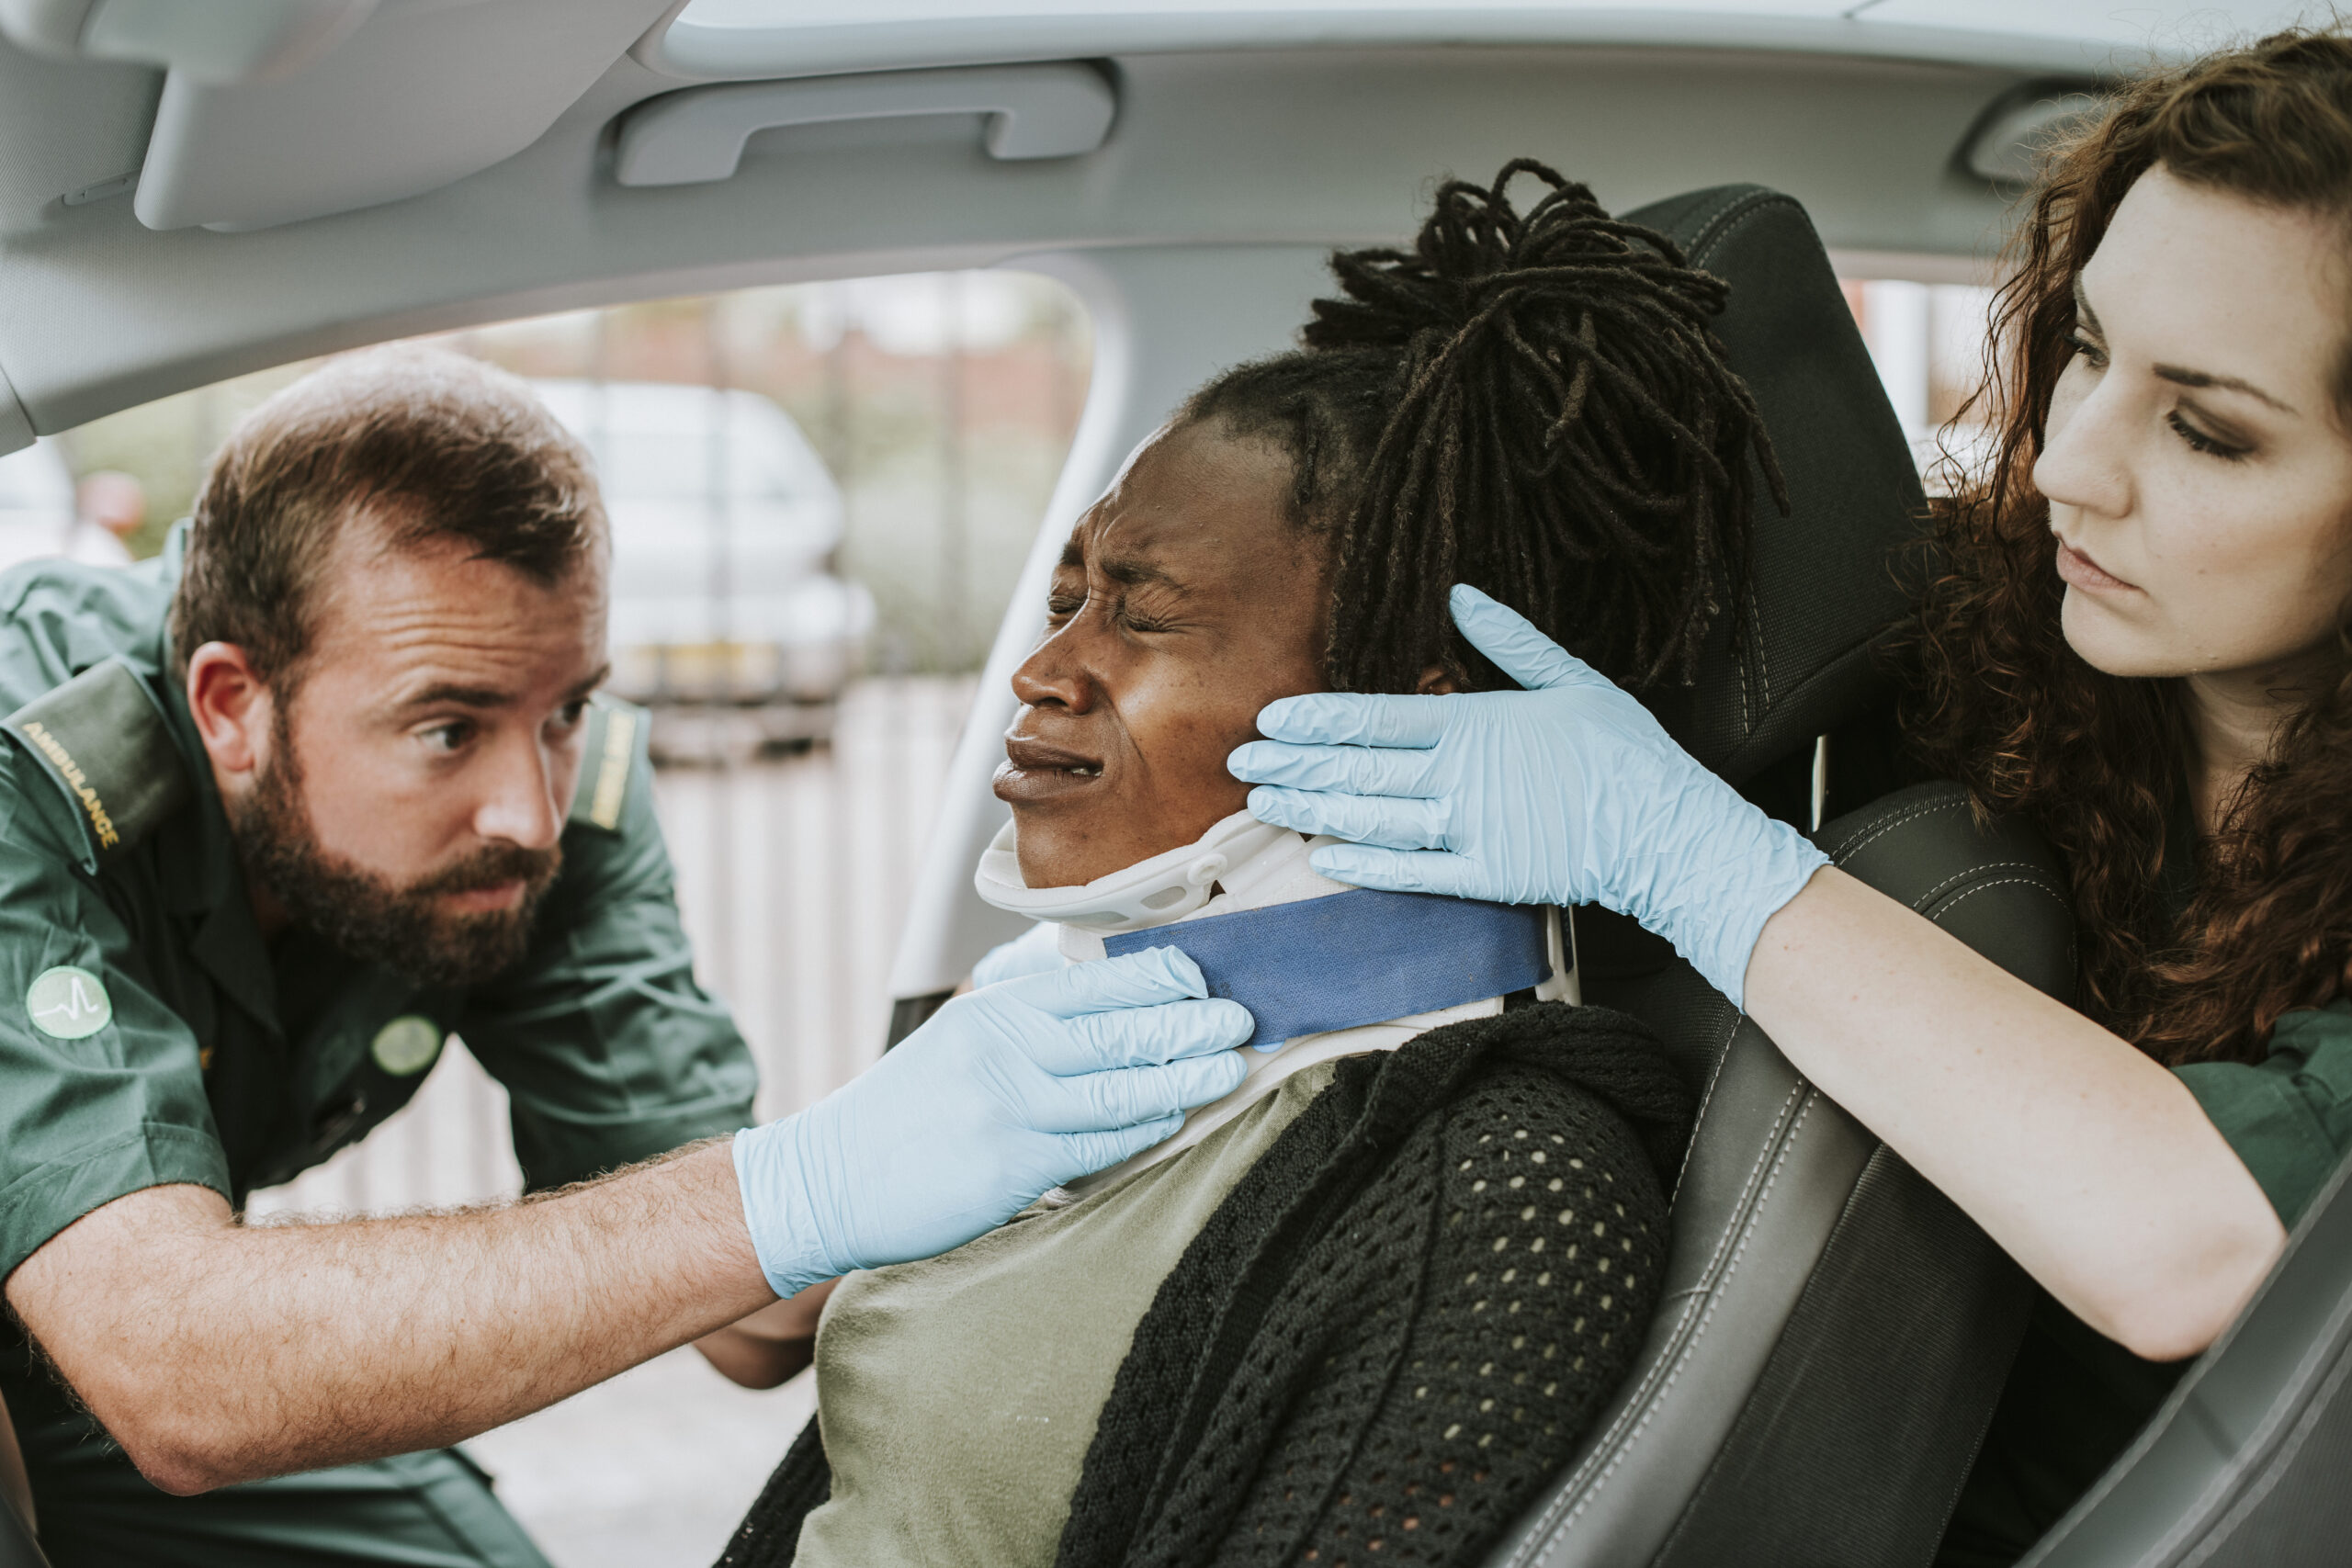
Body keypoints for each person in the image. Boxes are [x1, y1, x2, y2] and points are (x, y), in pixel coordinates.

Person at [1227, 28, 2352, 1566]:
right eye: (2087, 347)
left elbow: (2201, 1246)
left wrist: (1689, 854)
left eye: (2208, 428)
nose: (2067, 465)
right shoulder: (1961, 641)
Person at [0, 347, 1252, 1567]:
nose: (529, 814)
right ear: (232, 706)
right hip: (128, 1352)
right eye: (446, 730)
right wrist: (798, 1185)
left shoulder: (547, 792)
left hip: (112, 1367)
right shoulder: (26, 775)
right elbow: (179, 1370)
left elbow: (758, 1314)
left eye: (566, 710)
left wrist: (968, 1104)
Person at [717, 161, 1779, 1568]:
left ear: (1407, 700)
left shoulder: (1502, 1186)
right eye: (1064, 602)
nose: (1043, 670)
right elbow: (754, 1331)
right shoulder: (1040, 1014)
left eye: (1141, 620)